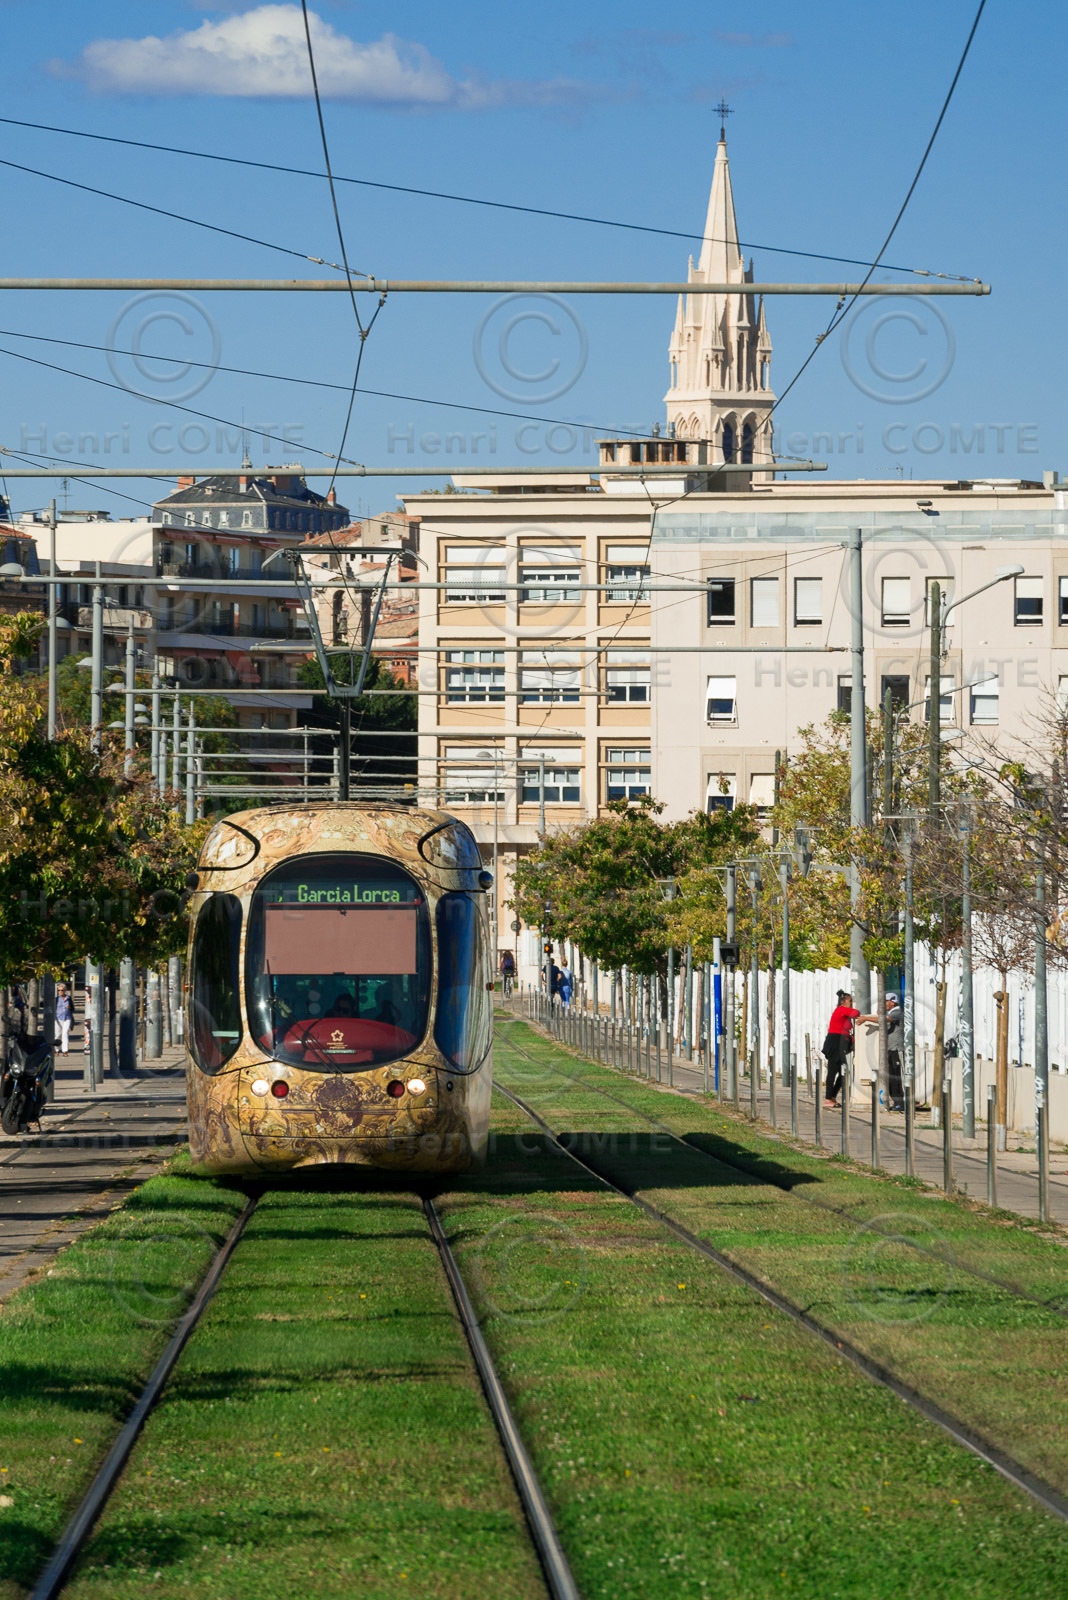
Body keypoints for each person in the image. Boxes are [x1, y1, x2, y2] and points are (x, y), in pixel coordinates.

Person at [822, 990, 877, 1108]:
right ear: (842, 1002)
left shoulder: (842, 1011)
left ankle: (832, 1096)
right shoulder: (841, 1010)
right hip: (835, 1042)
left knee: (843, 1071)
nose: (851, 1003)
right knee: (833, 1071)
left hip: (840, 1042)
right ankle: (828, 1098)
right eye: (850, 1001)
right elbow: (856, 1012)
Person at [885, 992, 905, 1111]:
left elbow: (885, 1019)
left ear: (892, 1002)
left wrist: (866, 1018)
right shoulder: (891, 1012)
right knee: (891, 1077)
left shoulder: (897, 1012)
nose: (884, 1004)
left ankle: (900, 1102)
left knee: (896, 1077)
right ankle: (896, 1101)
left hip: (897, 1049)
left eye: (886, 1001)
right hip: (890, 1049)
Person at [55, 984, 73, 1055]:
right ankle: (56, 1050)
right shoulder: (56, 999)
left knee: (65, 1033)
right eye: (59, 990)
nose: (60, 992)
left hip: (67, 1018)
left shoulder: (68, 998)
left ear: (65, 991)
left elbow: (73, 1008)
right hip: (58, 1018)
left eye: (62, 990)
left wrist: (69, 1008)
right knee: (57, 1034)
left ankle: (65, 1050)